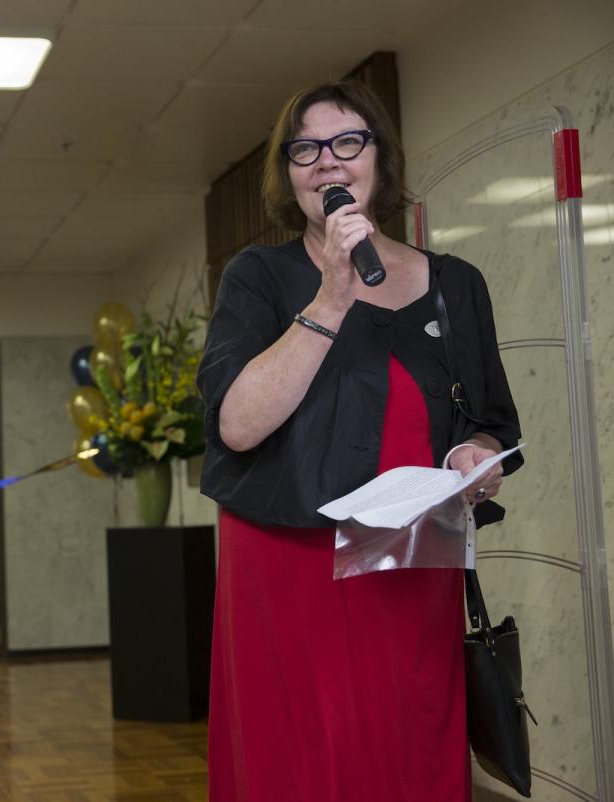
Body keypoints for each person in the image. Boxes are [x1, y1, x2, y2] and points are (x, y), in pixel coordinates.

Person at [197, 81, 523, 802]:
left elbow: (489, 416)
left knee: (409, 736)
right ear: (289, 174)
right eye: (306, 149)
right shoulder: (259, 278)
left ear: (379, 158)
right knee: (307, 751)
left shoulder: (455, 284)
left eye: (348, 142)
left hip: (412, 554)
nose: (328, 163)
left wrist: (475, 455)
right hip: (289, 559)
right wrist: (332, 296)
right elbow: (237, 424)